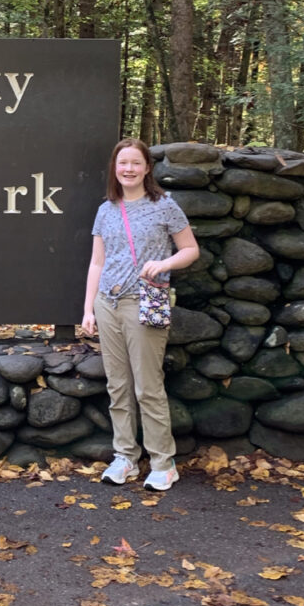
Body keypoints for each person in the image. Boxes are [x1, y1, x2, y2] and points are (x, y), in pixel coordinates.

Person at [81, 138, 199, 489]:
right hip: (108, 303)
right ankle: (125, 458)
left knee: (148, 387)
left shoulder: (164, 206)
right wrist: (88, 308)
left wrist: (164, 263)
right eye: (122, 163)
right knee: (118, 386)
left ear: (147, 168)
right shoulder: (106, 209)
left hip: (143, 301)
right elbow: (97, 261)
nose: (128, 169)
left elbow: (190, 249)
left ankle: (163, 463)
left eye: (135, 163)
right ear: (114, 169)